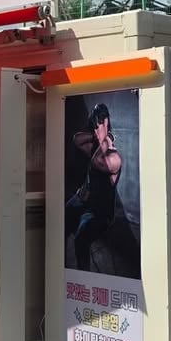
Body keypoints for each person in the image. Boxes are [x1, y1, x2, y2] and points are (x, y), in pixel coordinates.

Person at [69, 103, 123, 271]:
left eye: (100, 124)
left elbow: (97, 161)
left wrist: (105, 138)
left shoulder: (114, 158)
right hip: (82, 200)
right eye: (95, 125)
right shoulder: (93, 146)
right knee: (61, 220)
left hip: (99, 212)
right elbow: (77, 139)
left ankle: (83, 275)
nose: (97, 129)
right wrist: (96, 134)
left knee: (81, 240)